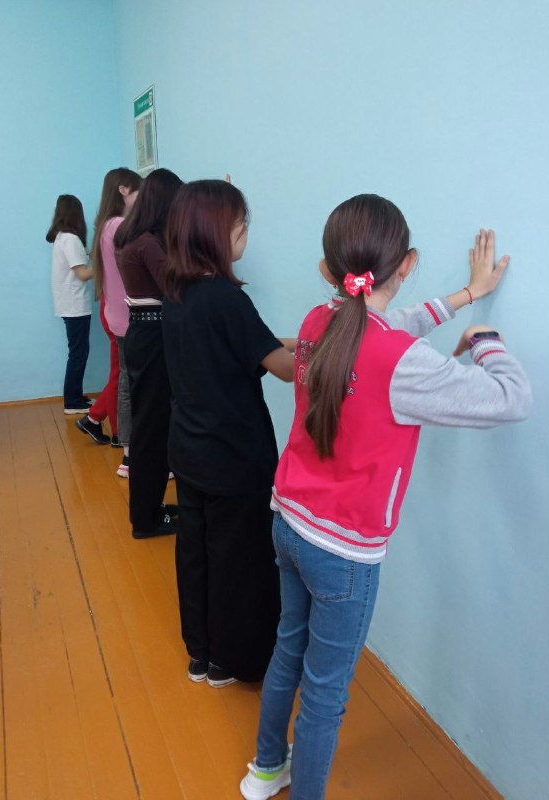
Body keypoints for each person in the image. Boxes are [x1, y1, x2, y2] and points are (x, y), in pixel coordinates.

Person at [240, 195, 532, 800]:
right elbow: (511, 398)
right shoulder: (402, 361)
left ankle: (265, 771)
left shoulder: (318, 322)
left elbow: (388, 324)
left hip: (288, 522)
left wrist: (466, 294)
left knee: (288, 648)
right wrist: (484, 336)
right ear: (407, 264)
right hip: (343, 553)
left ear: (329, 271)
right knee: (325, 693)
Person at [162, 180, 296, 688]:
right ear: (217, 234)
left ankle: (200, 653)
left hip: (190, 449)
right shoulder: (227, 298)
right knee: (238, 559)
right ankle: (233, 661)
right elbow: (284, 369)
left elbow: (245, 343)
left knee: (196, 553)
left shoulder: (178, 292)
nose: (245, 235)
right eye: (242, 226)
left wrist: (300, 338)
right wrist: (341, 344)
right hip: (234, 457)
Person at [115, 168, 184, 537]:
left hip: (145, 333)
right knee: (153, 431)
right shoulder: (147, 243)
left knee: (151, 427)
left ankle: (148, 511)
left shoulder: (135, 238)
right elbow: (175, 287)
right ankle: (147, 519)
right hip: (153, 336)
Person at [76, 168, 141, 471]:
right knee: (127, 382)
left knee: (122, 379)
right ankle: (126, 444)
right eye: (140, 193)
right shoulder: (119, 226)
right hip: (128, 317)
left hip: (115, 314)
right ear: (124, 190)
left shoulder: (105, 225)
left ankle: (124, 445)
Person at [46, 194, 94, 414]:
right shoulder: (71, 239)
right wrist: (103, 264)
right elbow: (83, 274)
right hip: (75, 305)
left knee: (77, 351)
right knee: (78, 352)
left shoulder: (62, 237)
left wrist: (92, 254)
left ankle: (75, 395)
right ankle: (72, 402)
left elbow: (79, 261)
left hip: (68, 304)